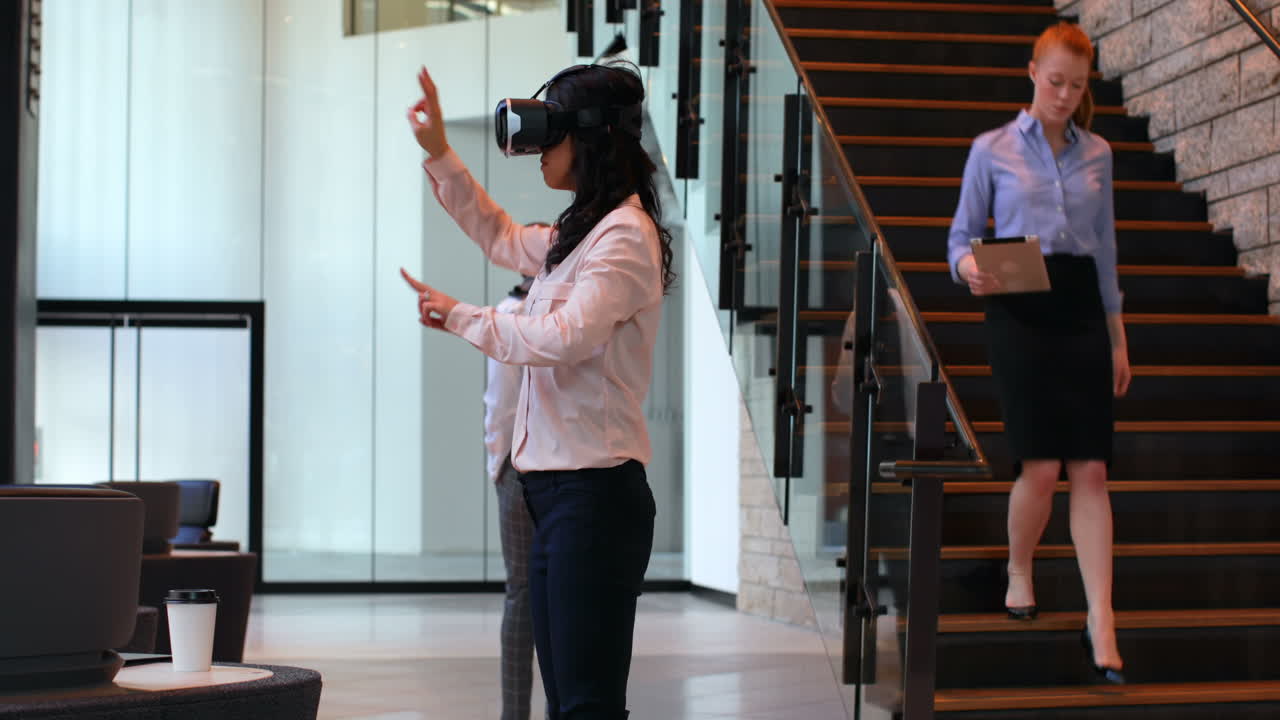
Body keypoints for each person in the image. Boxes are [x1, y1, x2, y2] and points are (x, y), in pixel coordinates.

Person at [401, 62, 675, 719]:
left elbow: (561, 338)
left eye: (551, 131)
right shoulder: (580, 236)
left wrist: (464, 316)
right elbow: (498, 235)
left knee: (585, 702)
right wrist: (440, 151)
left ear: (592, 140)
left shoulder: (624, 239)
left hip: (596, 495)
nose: (539, 150)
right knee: (567, 701)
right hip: (553, 492)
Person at [947, 21, 1131, 684]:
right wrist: (970, 269)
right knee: (1042, 464)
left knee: (1092, 469)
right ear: (1032, 72)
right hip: (1018, 301)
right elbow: (960, 240)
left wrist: (1117, 337)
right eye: (1055, 81)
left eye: (1076, 85)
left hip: (1080, 303)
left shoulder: (1100, 154)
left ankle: (1100, 618)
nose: (1064, 94)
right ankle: (1019, 566)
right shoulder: (991, 149)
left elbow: (1105, 252)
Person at [485, 274, 538, 720]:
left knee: (521, 590)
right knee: (538, 592)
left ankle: (514, 714)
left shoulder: (510, 314)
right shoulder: (512, 313)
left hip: (520, 468)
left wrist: (497, 463)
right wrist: (499, 465)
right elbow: (501, 400)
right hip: (532, 468)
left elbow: (498, 403)